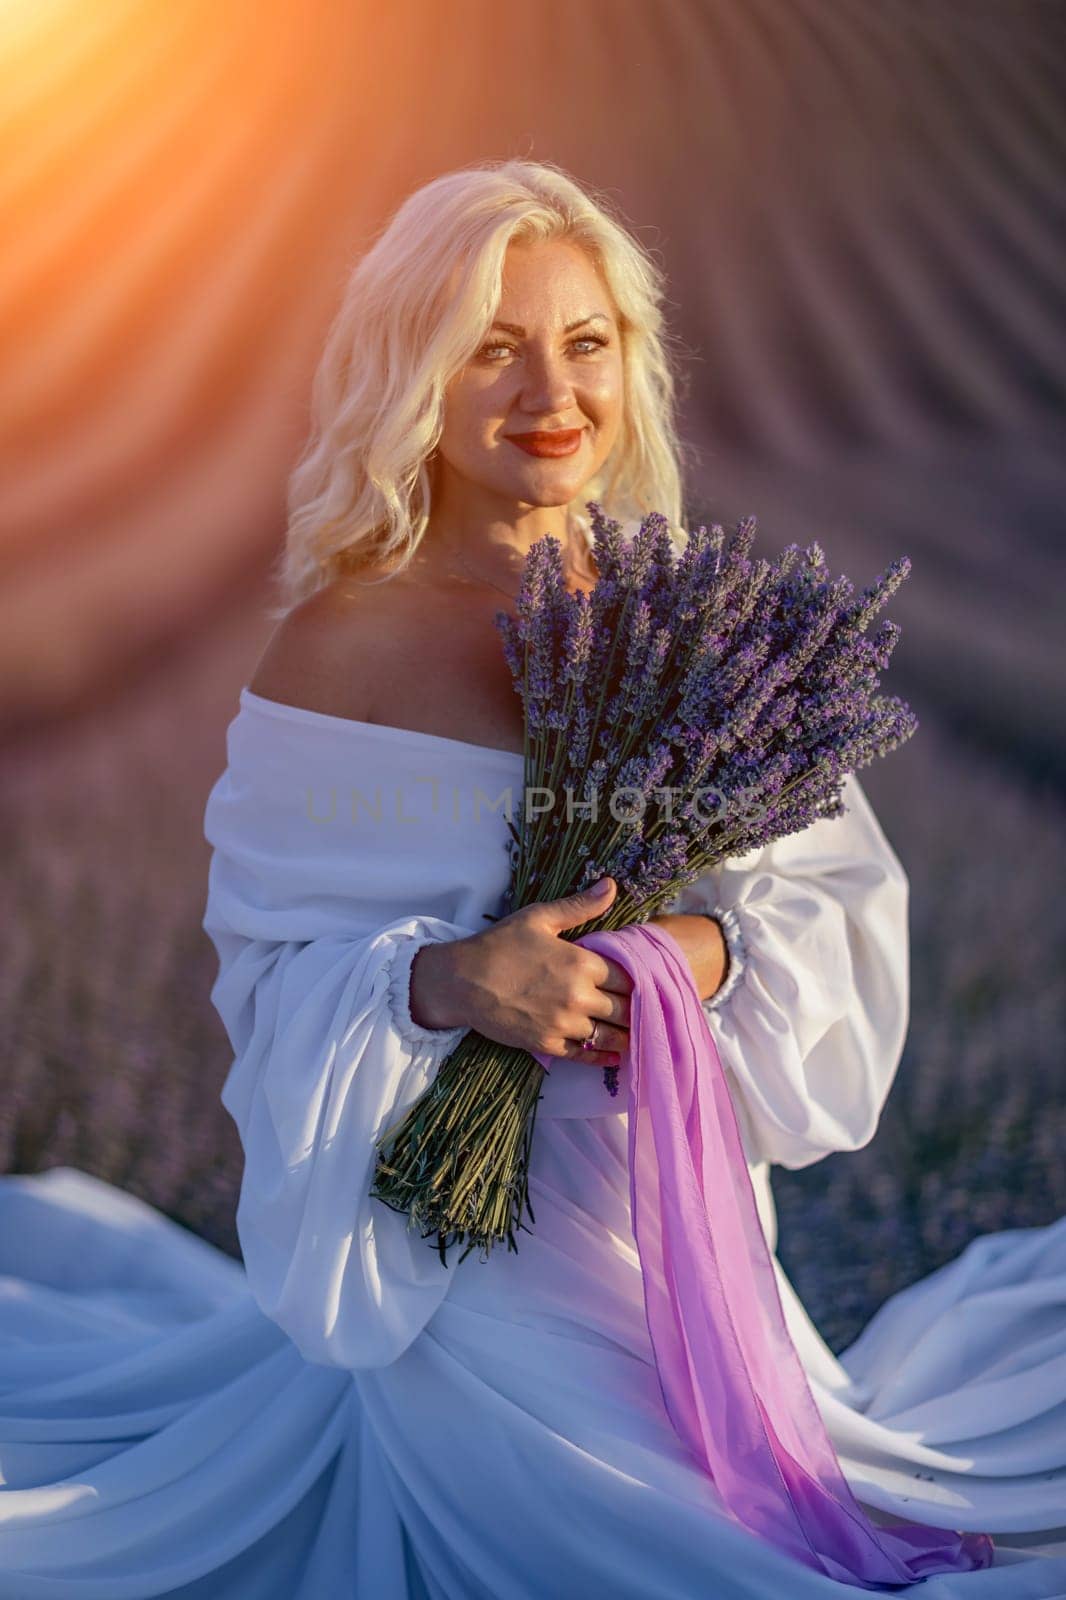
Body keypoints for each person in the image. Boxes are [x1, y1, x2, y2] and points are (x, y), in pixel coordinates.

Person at [0, 159, 1063, 1597]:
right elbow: (266, 975)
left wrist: (683, 955)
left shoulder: (695, 629)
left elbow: (829, 907)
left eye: (584, 344)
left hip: (677, 1227)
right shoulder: (341, 650)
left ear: (631, 361)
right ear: (413, 378)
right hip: (457, 1270)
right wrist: (450, 982)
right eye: (489, 348)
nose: (548, 391)